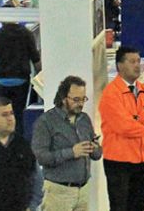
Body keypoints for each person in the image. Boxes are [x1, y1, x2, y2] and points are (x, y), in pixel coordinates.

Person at [98, 45, 144, 211]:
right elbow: (125, 127)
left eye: (138, 61)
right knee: (120, 207)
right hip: (119, 164)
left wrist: (138, 118)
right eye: (132, 61)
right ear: (120, 65)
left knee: (138, 207)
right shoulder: (111, 94)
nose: (137, 65)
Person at [32, 76, 102, 211]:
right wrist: (71, 152)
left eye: (83, 99)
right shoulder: (46, 122)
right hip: (58, 192)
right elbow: (40, 157)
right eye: (76, 99)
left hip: (83, 191)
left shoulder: (84, 119)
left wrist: (95, 149)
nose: (81, 103)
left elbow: (97, 154)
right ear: (63, 98)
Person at [0, 21, 41, 138]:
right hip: (20, 79)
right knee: (18, 114)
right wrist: (40, 74)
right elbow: (35, 57)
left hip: (2, 79)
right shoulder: (26, 34)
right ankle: (18, 143)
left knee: (2, 113)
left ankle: (2, 143)